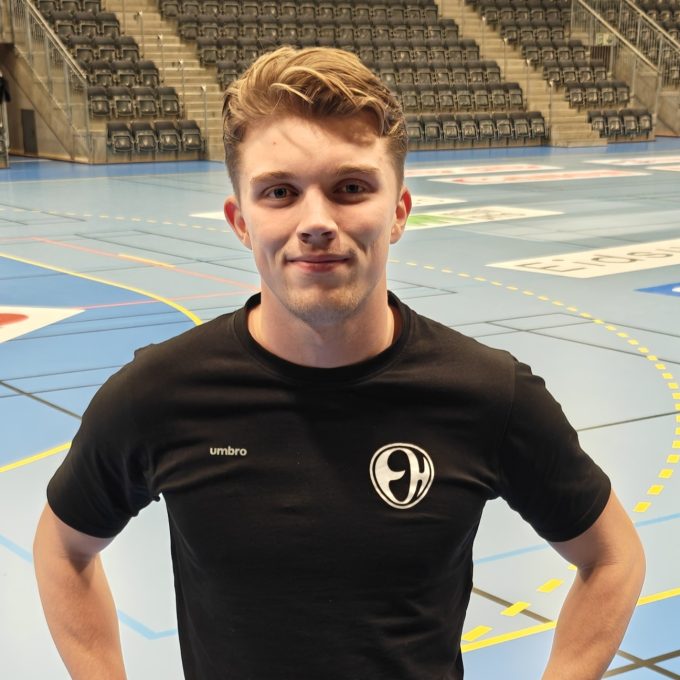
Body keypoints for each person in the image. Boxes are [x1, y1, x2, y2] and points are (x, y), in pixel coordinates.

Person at [34, 47, 645, 680]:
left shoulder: (489, 392)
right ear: (241, 221)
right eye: (280, 192)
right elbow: (62, 546)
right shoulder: (160, 394)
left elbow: (612, 557)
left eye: (350, 188)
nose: (317, 222)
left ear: (398, 211)